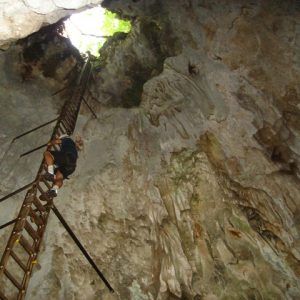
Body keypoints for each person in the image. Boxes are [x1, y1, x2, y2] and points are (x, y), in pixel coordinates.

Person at [39, 134, 82, 201]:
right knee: (59, 177)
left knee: (47, 153)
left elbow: (57, 141)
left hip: (67, 157)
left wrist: (50, 142)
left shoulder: (67, 139)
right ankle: (54, 190)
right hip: (71, 166)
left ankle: (50, 173)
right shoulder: (71, 146)